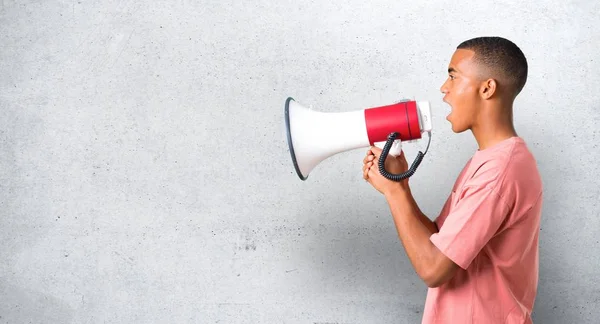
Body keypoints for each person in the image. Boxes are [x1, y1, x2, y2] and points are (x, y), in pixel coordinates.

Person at [362, 36, 543, 323]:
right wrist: (399, 185)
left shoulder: (499, 172)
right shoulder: (491, 161)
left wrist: (393, 194)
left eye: (453, 77)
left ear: (487, 88)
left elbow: (433, 268)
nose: (444, 89)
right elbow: (439, 241)